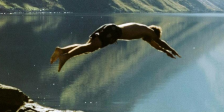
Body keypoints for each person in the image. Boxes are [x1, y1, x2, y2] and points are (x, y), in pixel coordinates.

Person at [50, 22, 180, 71]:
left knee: (88, 46)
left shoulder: (144, 32)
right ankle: (66, 57)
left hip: (110, 28)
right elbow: (159, 42)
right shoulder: (149, 31)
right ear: (155, 33)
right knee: (90, 48)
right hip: (113, 32)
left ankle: (62, 50)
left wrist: (166, 52)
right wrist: (172, 50)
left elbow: (156, 45)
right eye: (154, 37)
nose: (152, 40)